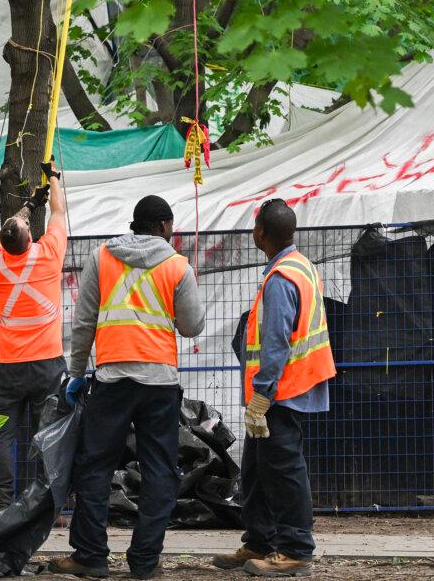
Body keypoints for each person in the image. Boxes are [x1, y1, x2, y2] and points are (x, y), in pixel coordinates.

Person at [50, 195, 205, 580]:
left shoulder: (102, 258)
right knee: (159, 471)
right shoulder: (176, 266)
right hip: (159, 384)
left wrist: (76, 373)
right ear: (164, 225)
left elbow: (84, 322)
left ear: (136, 224)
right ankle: (145, 561)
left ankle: (91, 556)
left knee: (95, 466)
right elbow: (192, 326)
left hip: (112, 380)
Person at [212, 199, 336, 578]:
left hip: (280, 392)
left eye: (254, 226)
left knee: (282, 469)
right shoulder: (300, 267)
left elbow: (277, 341)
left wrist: (262, 397)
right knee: (257, 468)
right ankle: (259, 541)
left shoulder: (282, 277)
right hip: (285, 388)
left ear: (261, 232)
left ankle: (296, 550)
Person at [0, 161, 67, 516]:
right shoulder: (48, 256)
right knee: (48, 435)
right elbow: (60, 211)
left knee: (2, 433)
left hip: (9, 368)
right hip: (47, 365)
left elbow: (9, 232)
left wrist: (29, 206)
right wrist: (54, 180)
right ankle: (46, 505)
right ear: (31, 238)